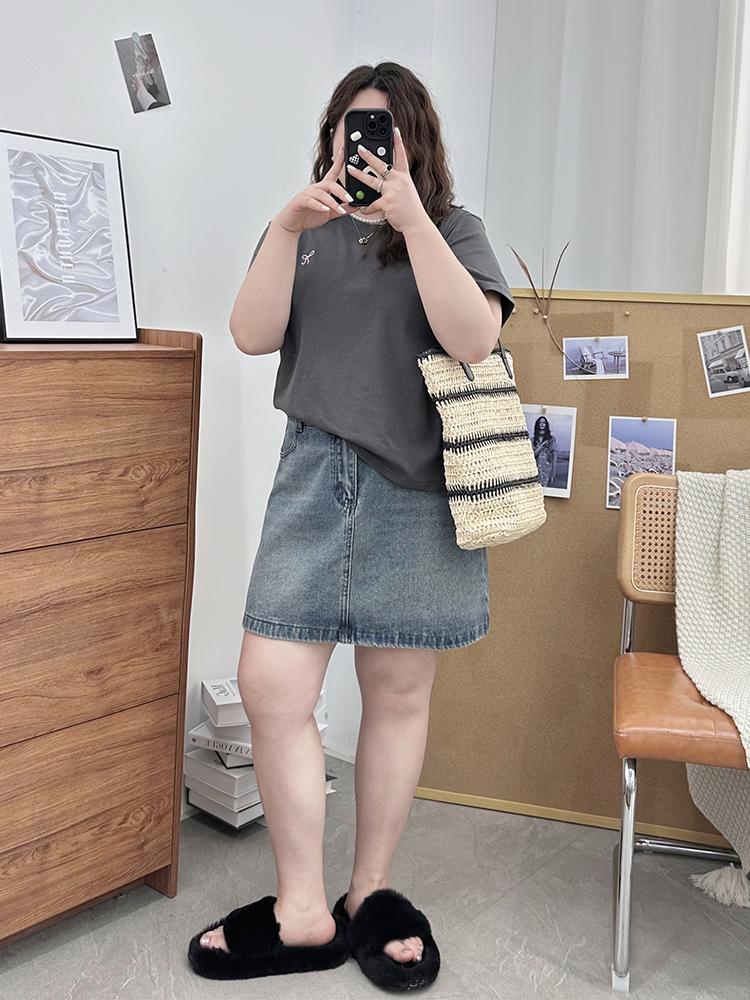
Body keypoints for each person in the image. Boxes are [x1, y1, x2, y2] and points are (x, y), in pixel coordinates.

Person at [188, 61, 514, 991]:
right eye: (351, 125)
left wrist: (411, 221)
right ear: (332, 134)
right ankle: (301, 909)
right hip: (311, 480)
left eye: (384, 128)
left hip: (414, 492)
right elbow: (252, 334)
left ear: (415, 141)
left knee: (396, 695)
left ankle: (369, 894)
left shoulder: (452, 229)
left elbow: (475, 339)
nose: (365, 143)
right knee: (272, 687)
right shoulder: (302, 231)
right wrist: (289, 224)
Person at [532, 416, 558, 487]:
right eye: (540, 422)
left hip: (547, 469)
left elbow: (554, 455)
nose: (542, 424)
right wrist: (542, 444)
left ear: (546, 425)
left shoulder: (551, 439)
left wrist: (554, 471)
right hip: (536, 469)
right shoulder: (533, 440)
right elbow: (533, 455)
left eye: (544, 422)